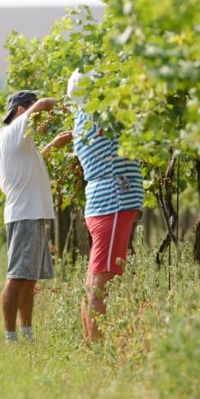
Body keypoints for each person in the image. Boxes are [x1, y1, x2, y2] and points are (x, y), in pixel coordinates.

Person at [67, 71, 145, 343]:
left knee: (94, 279)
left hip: (103, 203)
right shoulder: (101, 115)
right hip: (114, 202)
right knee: (100, 284)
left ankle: (93, 345)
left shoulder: (82, 117)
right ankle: (98, 348)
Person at [0, 90, 72, 344]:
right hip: (24, 214)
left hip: (31, 213)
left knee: (29, 279)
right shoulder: (13, 132)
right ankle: (10, 337)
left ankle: (26, 334)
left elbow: (31, 166)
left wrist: (53, 145)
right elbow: (41, 105)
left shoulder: (18, 140)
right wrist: (64, 105)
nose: (39, 121)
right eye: (30, 110)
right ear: (20, 110)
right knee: (17, 277)